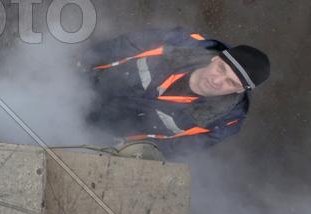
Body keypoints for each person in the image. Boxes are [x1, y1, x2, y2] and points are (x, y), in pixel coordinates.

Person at [81, 27, 270, 154]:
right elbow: (121, 45)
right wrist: (80, 63)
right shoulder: (178, 43)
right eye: (222, 69)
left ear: (240, 90)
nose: (217, 81)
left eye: (231, 83)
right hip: (77, 89)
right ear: (216, 59)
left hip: (100, 137)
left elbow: (176, 149)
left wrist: (125, 150)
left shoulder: (225, 121)